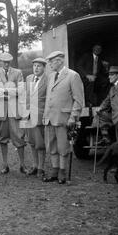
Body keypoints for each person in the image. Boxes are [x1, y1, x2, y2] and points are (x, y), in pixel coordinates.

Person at [43, 51, 84, 184]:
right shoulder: (51, 76)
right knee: (52, 146)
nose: (49, 64)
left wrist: (73, 117)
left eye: (51, 61)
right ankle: (54, 171)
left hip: (64, 118)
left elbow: (78, 100)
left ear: (59, 61)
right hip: (50, 118)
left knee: (63, 147)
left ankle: (62, 172)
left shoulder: (73, 76)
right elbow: (49, 97)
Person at [0, 52, 27, 175]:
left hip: (15, 110)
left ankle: (22, 165)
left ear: (10, 62)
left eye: (8, 62)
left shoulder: (18, 73)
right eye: (3, 62)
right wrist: (11, 91)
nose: (6, 64)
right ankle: (5, 165)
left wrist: (5, 90)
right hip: (1, 110)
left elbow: (21, 91)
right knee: (2, 138)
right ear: (0, 62)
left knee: (19, 138)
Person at [21, 57, 48, 179]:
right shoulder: (29, 78)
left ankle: (41, 168)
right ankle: (35, 165)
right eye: (34, 66)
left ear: (44, 67)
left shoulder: (48, 80)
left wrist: (46, 115)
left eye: (39, 66)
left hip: (40, 115)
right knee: (31, 142)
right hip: (28, 115)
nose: (36, 68)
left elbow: (49, 100)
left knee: (40, 143)